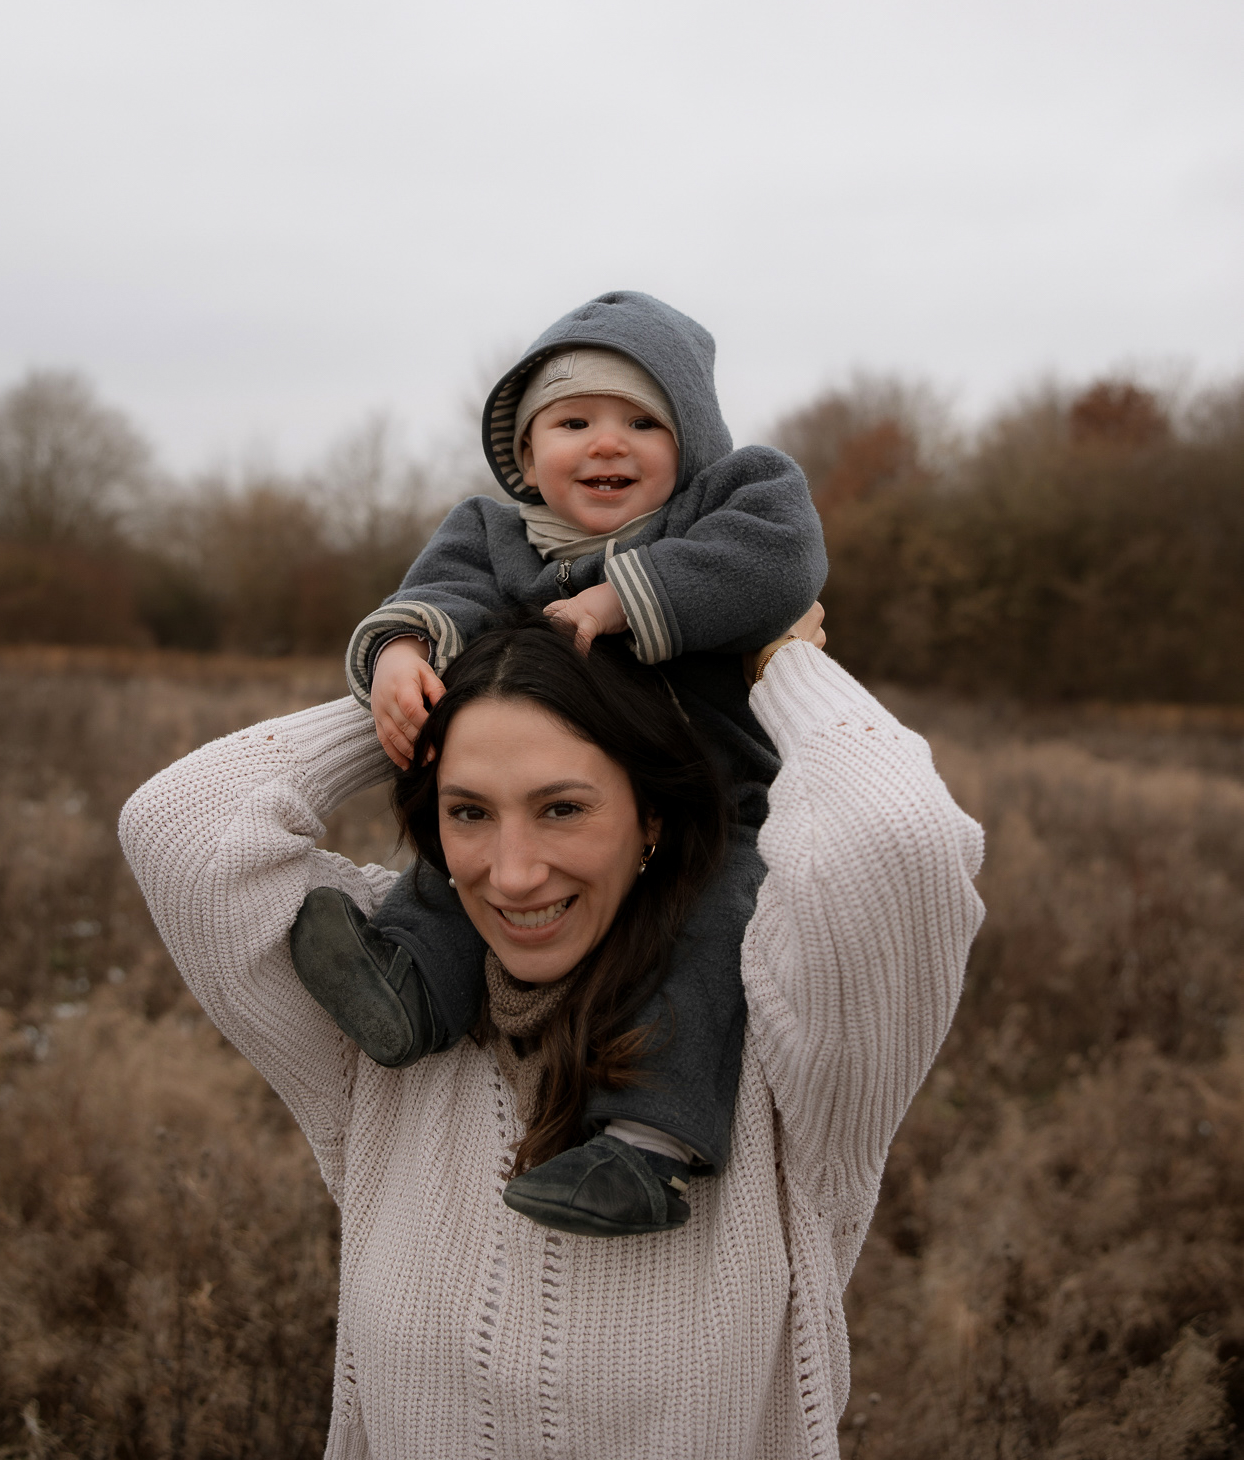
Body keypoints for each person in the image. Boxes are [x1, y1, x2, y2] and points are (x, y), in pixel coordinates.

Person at [120, 609, 983, 1460]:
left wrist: (773, 656)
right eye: (469, 812)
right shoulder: (379, 1018)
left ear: (651, 818)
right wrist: (422, 678)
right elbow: (182, 829)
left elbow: (897, 840)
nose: (514, 873)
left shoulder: (783, 1031)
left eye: (562, 808)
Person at [289, 289, 827, 1234]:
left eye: (642, 421)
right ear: (527, 456)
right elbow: (438, 595)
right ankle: (409, 988)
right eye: (573, 420)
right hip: (557, 802)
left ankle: (647, 1148)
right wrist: (404, 659)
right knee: (486, 861)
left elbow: (781, 560)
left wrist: (621, 601)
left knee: (710, 937)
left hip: (713, 805)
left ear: (691, 441)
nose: (607, 443)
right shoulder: (493, 534)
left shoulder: (725, 504)